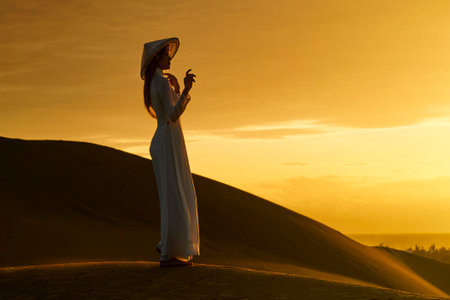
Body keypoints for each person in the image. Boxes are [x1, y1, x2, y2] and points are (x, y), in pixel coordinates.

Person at [141, 37, 199, 267]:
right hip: (167, 141)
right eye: (166, 54)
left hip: (165, 140)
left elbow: (168, 111)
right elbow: (173, 115)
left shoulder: (158, 83)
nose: (170, 58)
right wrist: (185, 90)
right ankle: (168, 252)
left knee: (171, 194)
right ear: (158, 58)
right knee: (175, 193)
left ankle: (167, 245)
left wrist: (176, 89)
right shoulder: (160, 83)